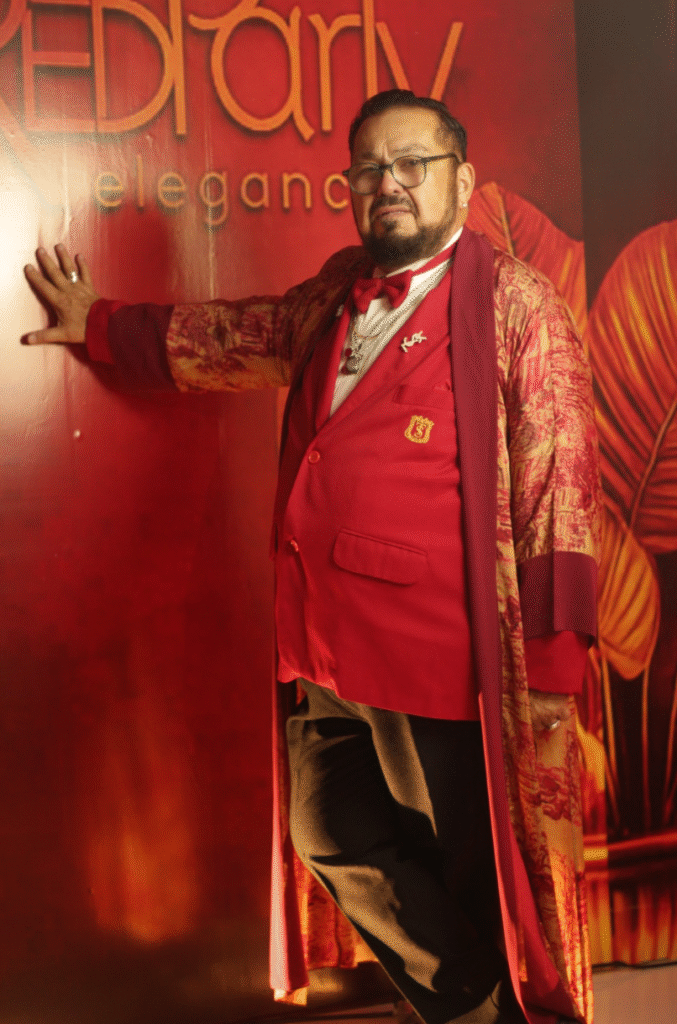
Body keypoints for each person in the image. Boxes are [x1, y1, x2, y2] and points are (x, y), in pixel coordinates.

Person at [24, 90, 601, 1024]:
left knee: (469, 869)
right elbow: (245, 334)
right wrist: (100, 324)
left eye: (411, 164)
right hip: (320, 649)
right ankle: (475, 1009)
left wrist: (550, 666)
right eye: (369, 168)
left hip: (437, 659)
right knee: (327, 830)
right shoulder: (337, 288)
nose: (389, 184)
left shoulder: (519, 303)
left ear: (462, 180)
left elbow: (559, 480)